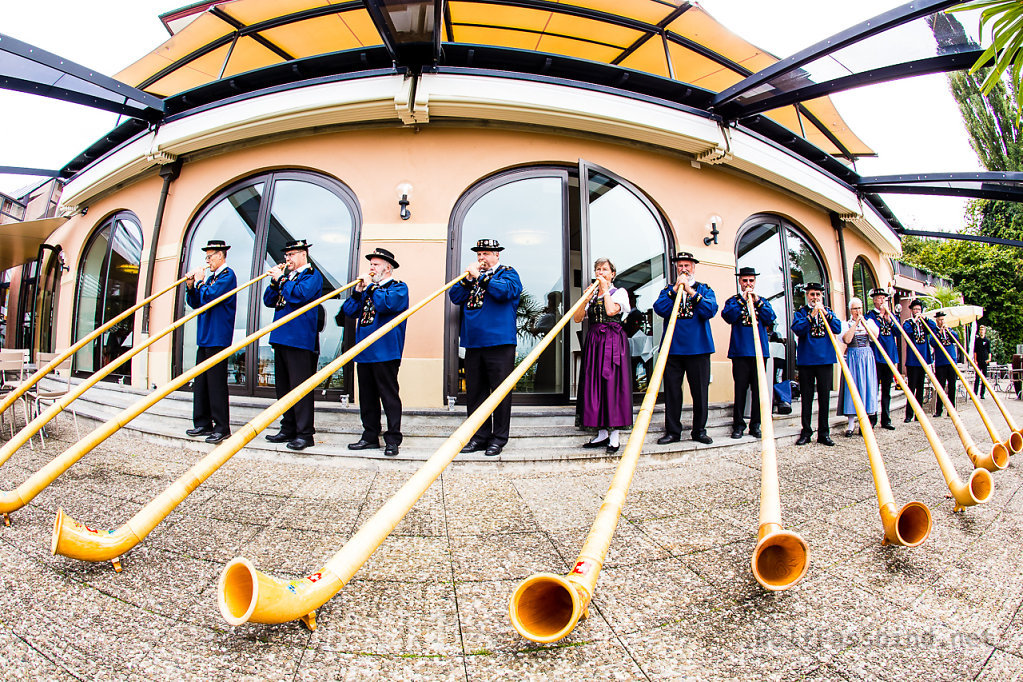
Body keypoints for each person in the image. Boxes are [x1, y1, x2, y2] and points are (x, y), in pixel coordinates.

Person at [449, 238, 523, 457]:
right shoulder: (471, 279)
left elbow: (504, 292)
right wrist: (467, 281)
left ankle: (498, 439)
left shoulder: (508, 273)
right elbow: (455, 296)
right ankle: (479, 437)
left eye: (486, 254)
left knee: (500, 393)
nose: (481, 258)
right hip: (474, 343)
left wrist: (480, 277)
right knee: (475, 394)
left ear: (497, 255)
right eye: (479, 254)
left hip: (499, 343)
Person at [340, 248, 409, 457]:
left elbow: (386, 304)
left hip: (386, 352)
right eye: (370, 264)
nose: (371, 268)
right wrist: (358, 292)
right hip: (365, 352)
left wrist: (370, 288)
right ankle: (370, 436)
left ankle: (393, 439)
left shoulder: (398, 288)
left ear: (388, 268)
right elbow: (348, 312)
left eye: (376, 264)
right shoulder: (369, 290)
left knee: (389, 397)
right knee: (367, 398)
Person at [262, 239, 323, 451]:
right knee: (284, 389)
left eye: (292, 254)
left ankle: (305, 434)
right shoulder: (287, 278)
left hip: (300, 341)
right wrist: (274, 281)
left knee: (300, 390)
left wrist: (281, 280)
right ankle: (287, 427)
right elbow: (269, 300)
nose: (287, 259)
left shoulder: (312, 276)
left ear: (303, 255)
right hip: (280, 338)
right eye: (286, 255)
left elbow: (298, 295)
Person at [653, 251, 718, 445]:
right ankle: (673, 431)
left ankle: (699, 431)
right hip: (672, 350)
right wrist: (675, 291)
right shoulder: (668, 290)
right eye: (680, 266)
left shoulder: (704, 289)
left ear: (693, 268)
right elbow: (659, 308)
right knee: (672, 393)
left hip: (699, 349)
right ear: (676, 268)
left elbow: (710, 310)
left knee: (700, 392)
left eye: (687, 266)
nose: (683, 269)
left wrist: (690, 291)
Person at [574, 258, 633, 453]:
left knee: (612, 385)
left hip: (613, 341)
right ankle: (601, 433)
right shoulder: (592, 295)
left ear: (612, 274)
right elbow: (577, 318)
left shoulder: (620, 293)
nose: (601, 272)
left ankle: (614, 436)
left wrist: (605, 289)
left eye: (605, 270)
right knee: (594, 385)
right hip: (594, 342)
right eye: (598, 269)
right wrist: (585, 298)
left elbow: (610, 310)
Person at [183, 239, 238, 444]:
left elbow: (212, 296)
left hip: (218, 337)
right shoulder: (211, 278)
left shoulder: (227, 275)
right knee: (202, 382)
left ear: (221, 255)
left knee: (216, 384)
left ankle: (222, 427)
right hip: (204, 336)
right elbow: (197, 302)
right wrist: (191, 287)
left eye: (210, 256)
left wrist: (198, 281)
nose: (207, 260)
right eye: (206, 256)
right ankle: (203, 423)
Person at [720, 266, 776, 440]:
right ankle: (738, 425)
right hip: (740, 353)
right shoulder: (733, 300)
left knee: (758, 391)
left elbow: (770, 317)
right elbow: (728, 316)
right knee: (740, 390)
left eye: (751, 280)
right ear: (740, 282)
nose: (748, 284)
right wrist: (742, 301)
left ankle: (756, 424)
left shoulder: (763, 301)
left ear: (755, 282)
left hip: (759, 353)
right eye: (745, 281)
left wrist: (756, 301)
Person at [791, 282, 841, 446]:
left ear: (822, 296)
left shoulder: (829, 312)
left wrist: (825, 313)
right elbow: (798, 329)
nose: (815, 298)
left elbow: (838, 328)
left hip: (825, 360)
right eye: (812, 294)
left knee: (825, 398)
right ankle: (806, 432)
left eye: (818, 295)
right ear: (807, 296)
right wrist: (812, 314)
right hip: (806, 361)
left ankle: (824, 433)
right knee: (806, 397)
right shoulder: (801, 313)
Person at [838, 297, 879, 437]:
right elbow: (847, 340)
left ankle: (865, 423)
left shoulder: (869, 323)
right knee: (852, 389)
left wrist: (864, 323)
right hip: (853, 357)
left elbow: (874, 337)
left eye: (860, 308)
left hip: (867, 357)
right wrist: (855, 324)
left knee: (866, 387)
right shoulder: (846, 324)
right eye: (855, 308)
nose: (858, 311)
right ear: (851, 310)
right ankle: (850, 424)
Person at [864, 288, 898, 430]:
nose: (881, 300)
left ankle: (886, 419)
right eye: (878, 298)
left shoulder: (891, 315)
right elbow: (871, 332)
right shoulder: (870, 316)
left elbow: (898, 332)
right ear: (874, 300)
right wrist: (880, 317)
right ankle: (872, 417)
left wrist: (888, 319)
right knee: (873, 389)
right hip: (876, 355)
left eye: (883, 298)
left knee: (887, 390)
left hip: (889, 355)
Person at [902, 299, 934, 423]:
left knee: (920, 388)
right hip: (912, 360)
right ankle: (909, 414)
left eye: (919, 310)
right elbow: (907, 331)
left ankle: (919, 414)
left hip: (923, 360)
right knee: (912, 387)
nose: (917, 311)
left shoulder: (924, 323)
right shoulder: (908, 322)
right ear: (911, 310)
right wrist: (915, 321)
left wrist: (924, 319)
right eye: (915, 309)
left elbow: (933, 327)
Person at [931, 311, 960, 417]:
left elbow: (955, 339)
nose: (942, 321)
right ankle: (939, 410)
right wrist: (940, 332)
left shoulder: (950, 330)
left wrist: (948, 331)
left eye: (943, 319)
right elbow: (933, 343)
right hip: (940, 363)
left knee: (952, 386)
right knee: (940, 387)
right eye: (940, 319)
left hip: (951, 361)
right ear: (937, 321)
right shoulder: (934, 331)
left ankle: (951, 410)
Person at [973, 325, 991, 398]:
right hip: (978, 361)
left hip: (985, 360)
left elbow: (989, 351)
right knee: (977, 377)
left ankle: (982, 394)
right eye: (980, 330)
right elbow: (975, 351)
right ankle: (974, 393)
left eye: (983, 330)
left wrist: (989, 359)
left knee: (984, 378)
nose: (981, 331)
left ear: (985, 331)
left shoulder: (987, 341)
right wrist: (975, 360)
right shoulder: (977, 340)